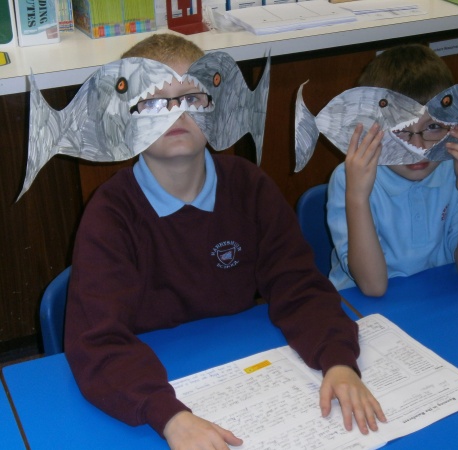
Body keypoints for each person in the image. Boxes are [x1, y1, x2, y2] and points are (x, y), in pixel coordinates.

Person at [64, 34, 385, 449]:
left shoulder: (249, 186)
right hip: (149, 383)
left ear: (216, 107)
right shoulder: (110, 214)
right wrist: (169, 417)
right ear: (126, 119)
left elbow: (299, 286)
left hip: (243, 368)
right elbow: (96, 340)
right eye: (154, 101)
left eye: (192, 98)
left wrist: (338, 361)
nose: (177, 112)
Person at [327, 44, 458, 296]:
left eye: (433, 127)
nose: (418, 148)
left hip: (440, 298)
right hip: (364, 307)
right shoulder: (348, 178)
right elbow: (373, 287)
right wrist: (358, 197)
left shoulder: (456, 169)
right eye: (400, 130)